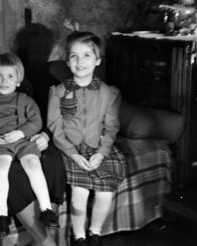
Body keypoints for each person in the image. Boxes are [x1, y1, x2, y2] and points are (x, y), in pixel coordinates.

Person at [0, 22, 65, 246]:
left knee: (50, 160)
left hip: (25, 138)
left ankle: (50, 222)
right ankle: (46, 242)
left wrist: (45, 135)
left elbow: (42, 113)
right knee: (10, 172)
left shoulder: (17, 79)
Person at [47, 31, 127, 246]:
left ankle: (95, 233)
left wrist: (101, 154)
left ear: (98, 60)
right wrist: (73, 154)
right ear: (67, 60)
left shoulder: (108, 93)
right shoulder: (58, 92)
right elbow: (55, 127)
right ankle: (79, 237)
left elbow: (111, 127)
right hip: (71, 149)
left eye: (87, 55)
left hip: (97, 148)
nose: (80, 61)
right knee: (79, 193)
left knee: (104, 193)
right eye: (74, 56)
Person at [0, 53, 59, 237]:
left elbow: (36, 121)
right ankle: (2, 216)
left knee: (33, 164)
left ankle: (46, 209)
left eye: (10, 76)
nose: (4, 80)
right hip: (1, 145)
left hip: (23, 142)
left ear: (18, 81)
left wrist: (21, 132)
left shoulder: (25, 100)